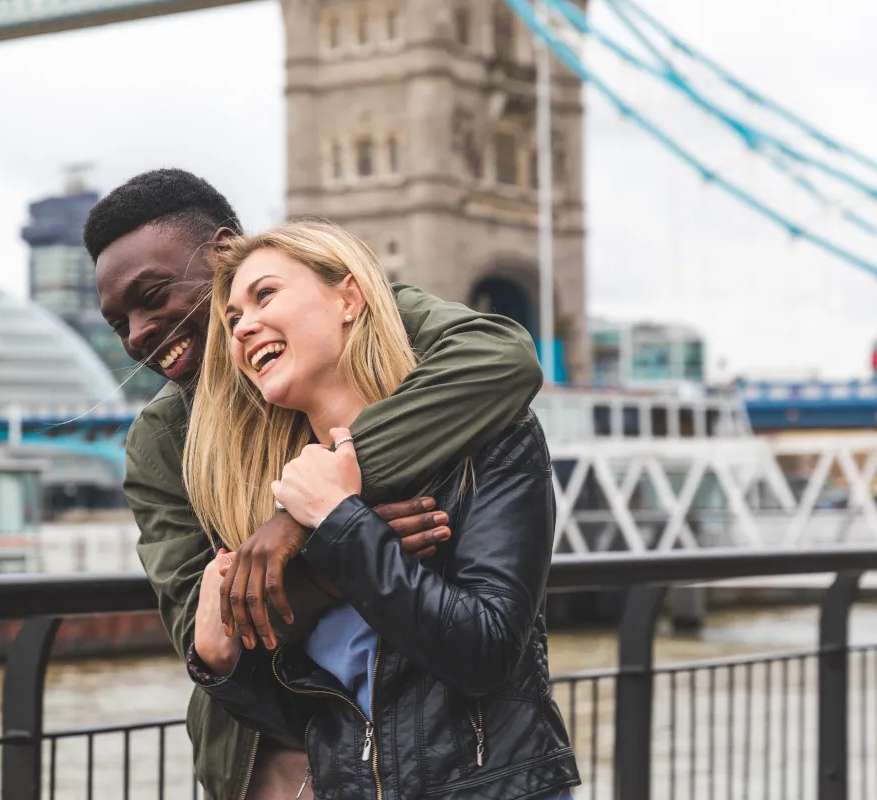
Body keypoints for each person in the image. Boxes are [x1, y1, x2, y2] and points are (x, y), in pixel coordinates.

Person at [86, 169, 544, 799]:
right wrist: (334, 550)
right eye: (119, 324)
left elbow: (505, 359)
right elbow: (211, 635)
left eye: (153, 294)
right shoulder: (163, 438)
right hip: (271, 753)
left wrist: (308, 516)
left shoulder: (365, 315)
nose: (137, 334)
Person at [184, 220, 578, 799]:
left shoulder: (492, 438)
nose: (243, 326)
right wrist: (217, 664)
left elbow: (485, 653)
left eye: (264, 295)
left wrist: (340, 521)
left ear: (348, 298)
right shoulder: (277, 494)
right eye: (233, 318)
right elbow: (305, 721)